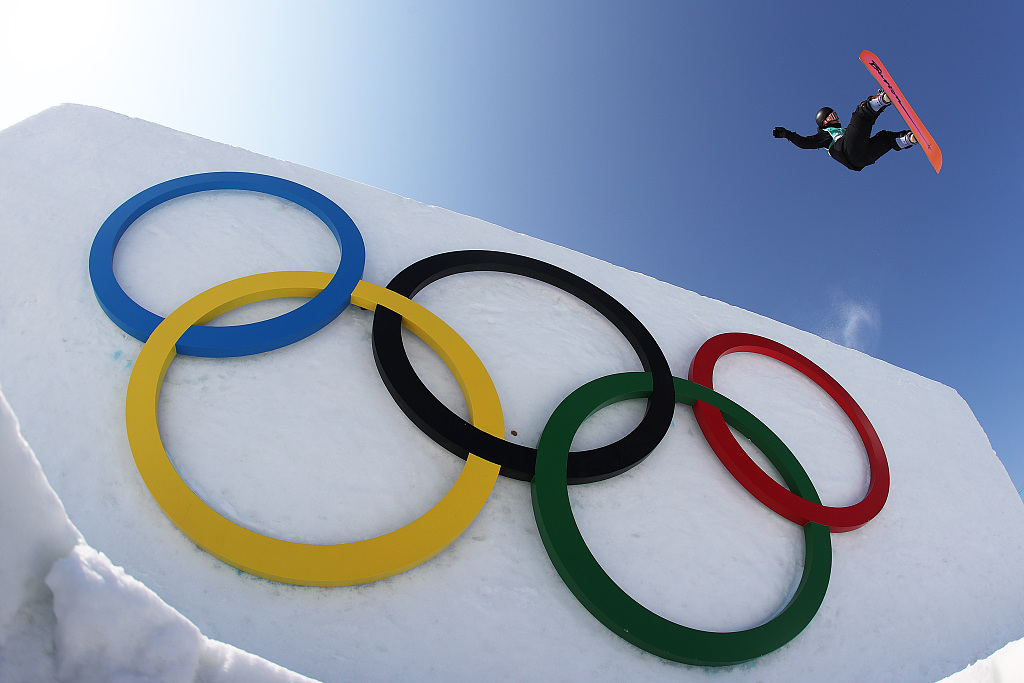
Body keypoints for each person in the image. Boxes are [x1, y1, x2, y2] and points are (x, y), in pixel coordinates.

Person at [772, 90, 917, 171]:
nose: (836, 118)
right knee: (860, 114)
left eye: (835, 115)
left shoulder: (845, 131)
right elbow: (805, 143)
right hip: (847, 151)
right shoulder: (825, 135)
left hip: (862, 159)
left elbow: (865, 126)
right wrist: (787, 134)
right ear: (824, 122)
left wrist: (877, 111)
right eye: (832, 116)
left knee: (885, 138)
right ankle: (881, 99)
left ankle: (908, 139)